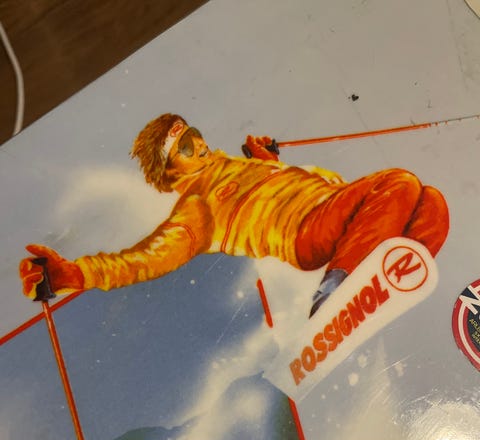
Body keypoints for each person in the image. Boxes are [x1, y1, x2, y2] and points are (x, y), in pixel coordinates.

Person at [19, 113, 449, 317]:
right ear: (170, 172)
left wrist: (268, 161)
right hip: (306, 232)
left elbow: (285, 187)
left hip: (340, 212)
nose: (199, 145)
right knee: (400, 182)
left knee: (431, 205)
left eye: (194, 134)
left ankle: (384, 278)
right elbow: (146, 259)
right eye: (184, 147)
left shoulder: (242, 167)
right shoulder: (197, 205)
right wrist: (72, 274)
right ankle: (339, 287)